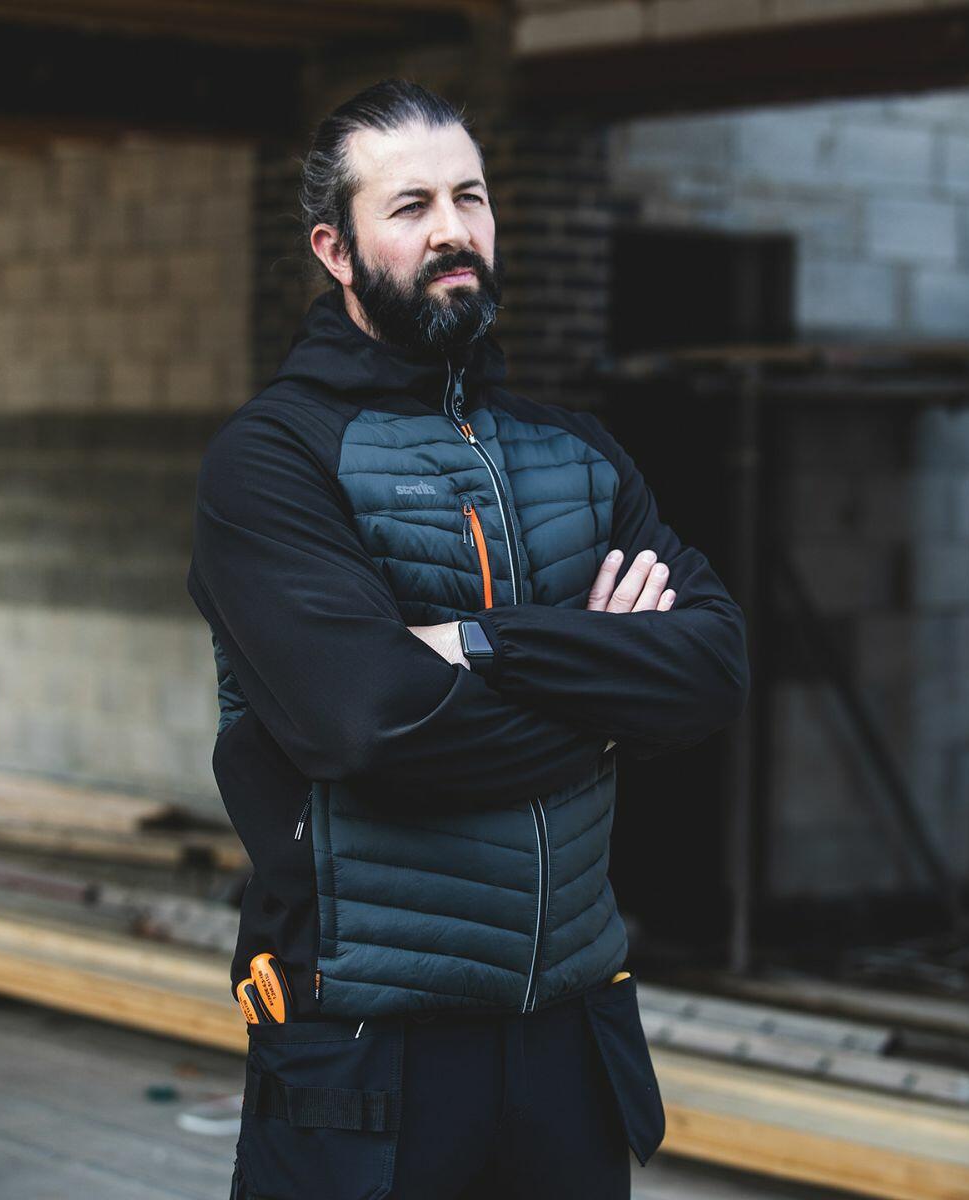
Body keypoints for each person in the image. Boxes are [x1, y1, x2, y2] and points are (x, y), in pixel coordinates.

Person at [187, 78, 750, 1200]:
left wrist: (476, 649)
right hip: (367, 1056)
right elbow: (373, 722)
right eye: (409, 207)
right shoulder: (272, 462)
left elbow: (711, 671)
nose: (453, 229)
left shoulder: (576, 452)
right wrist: (601, 698)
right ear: (335, 249)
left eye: (471, 196)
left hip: (567, 1043)